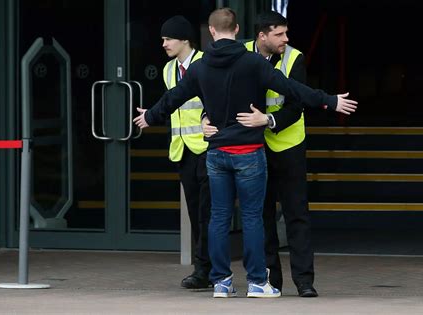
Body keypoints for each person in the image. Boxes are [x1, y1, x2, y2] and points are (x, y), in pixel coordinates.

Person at [133, 7, 357, 298]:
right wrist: (328, 100)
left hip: (216, 154)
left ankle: (221, 283)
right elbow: (292, 88)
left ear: (212, 32)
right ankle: (256, 282)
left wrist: (150, 116)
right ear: (237, 31)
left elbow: (173, 97)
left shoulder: (200, 67)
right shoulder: (253, 63)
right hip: (249, 152)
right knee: (252, 218)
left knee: (218, 218)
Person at [241, 11, 320, 298]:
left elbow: (296, 103)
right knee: (261, 216)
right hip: (253, 147)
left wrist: (269, 121)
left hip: (288, 144)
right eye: (279, 34)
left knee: (296, 213)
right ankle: (270, 280)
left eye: (286, 33)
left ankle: (304, 281)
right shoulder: (241, 54)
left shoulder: (294, 58)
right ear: (262, 36)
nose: (286, 39)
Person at [159, 15, 212, 289]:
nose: (164, 44)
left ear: (184, 39)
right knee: (196, 213)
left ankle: (206, 270)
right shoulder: (169, 69)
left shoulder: (206, 63)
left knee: (207, 213)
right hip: (183, 150)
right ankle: (204, 269)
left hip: (207, 148)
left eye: (168, 38)